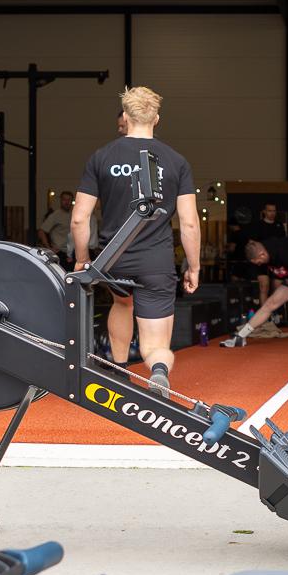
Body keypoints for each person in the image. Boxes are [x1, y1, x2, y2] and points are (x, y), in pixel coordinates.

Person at [71, 86, 200, 396]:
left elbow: (79, 219)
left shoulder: (101, 157)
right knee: (156, 345)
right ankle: (158, 370)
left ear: (126, 118)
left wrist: (82, 258)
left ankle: (119, 370)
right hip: (156, 261)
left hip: (114, 259)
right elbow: (189, 222)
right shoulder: (176, 161)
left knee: (122, 302)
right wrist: (193, 266)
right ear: (156, 118)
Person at [38, 191, 73, 265]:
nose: (67, 202)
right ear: (61, 200)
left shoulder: (74, 214)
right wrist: (49, 248)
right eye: (64, 199)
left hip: (72, 253)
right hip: (60, 253)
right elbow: (41, 231)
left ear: (72, 201)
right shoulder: (55, 215)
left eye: (69, 200)